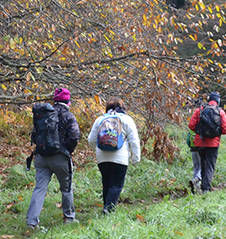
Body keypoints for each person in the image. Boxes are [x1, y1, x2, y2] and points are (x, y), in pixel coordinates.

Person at [27, 87, 82, 228]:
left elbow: (34, 135)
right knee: (66, 188)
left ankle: (32, 222)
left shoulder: (44, 114)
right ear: (68, 102)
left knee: (40, 188)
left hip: (41, 156)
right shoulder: (68, 116)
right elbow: (75, 135)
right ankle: (69, 218)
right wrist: (67, 150)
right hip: (60, 158)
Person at [87, 98, 141, 214]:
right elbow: (134, 141)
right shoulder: (126, 119)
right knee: (116, 184)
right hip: (120, 158)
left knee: (106, 183)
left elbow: (91, 139)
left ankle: (106, 206)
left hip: (102, 157)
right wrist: (135, 158)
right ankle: (109, 208)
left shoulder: (100, 119)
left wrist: (97, 150)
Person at [187, 92, 226, 193]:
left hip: (200, 142)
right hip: (213, 144)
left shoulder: (200, 110)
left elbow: (191, 125)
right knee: (210, 165)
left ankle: (202, 185)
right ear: (218, 101)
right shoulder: (220, 112)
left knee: (203, 164)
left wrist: (199, 131)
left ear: (209, 100)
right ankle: (206, 188)